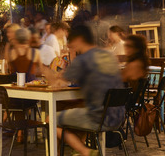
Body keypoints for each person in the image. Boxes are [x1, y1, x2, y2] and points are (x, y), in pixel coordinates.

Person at [50, 25, 124, 156]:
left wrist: (43, 69)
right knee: (76, 110)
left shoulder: (82, 60)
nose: (70, 46)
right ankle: (79, 149)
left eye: (71, 43)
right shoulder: (109, 55)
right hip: (118, 115)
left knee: (50, 119)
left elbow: (58, 83)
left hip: (98, 117)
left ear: (78, 40)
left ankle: (85, 151)